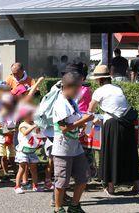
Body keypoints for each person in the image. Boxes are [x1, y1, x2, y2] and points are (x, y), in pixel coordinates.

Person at [88, 65, 139, 195]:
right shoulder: (118, 88)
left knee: (110, 154)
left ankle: (111, 187)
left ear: (99, 80)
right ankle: (137, 185)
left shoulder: (99, 91)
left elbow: (90, 109)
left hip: (111, 124)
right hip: (126, 122)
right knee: (130, 153)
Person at [52, 72, 93, 213]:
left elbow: (74, 121)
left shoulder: (72, 102)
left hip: (75, 147)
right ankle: (58, 208)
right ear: (68, 87)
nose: (80, 91)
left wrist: (85, 123)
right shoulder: (60, 103)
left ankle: (74, 205)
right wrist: (83, 121)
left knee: (84, 176)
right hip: (62, 148)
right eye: (78, 88)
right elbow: (63, 128)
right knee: (62, 181)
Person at [14, 104, 44, 194]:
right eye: (30, 114)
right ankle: (17, 186)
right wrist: (33, 127)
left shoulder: (34, 124)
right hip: (23, 151)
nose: (32, 116)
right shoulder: (22, 124)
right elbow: (25, 133)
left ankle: (35, 185)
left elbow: (38, 135)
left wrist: (39, 133)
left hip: (32, 150)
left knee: (34, 169)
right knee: (22, 168)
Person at [0, 93, 17, 180]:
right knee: (3, 156)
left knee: (11, 156)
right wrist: (0, 125)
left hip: (10, 138)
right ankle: (5, 173)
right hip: (1, 138)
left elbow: (16, 127)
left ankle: (16, 172)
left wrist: (11, 131)